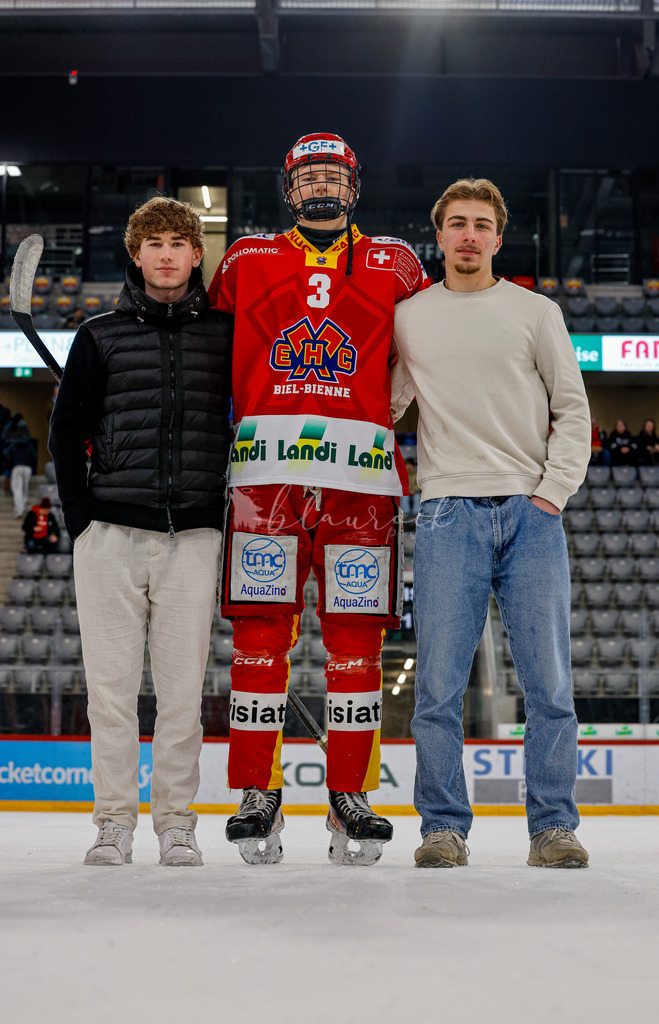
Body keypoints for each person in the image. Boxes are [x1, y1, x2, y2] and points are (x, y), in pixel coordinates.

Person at [208, 132, 429, 866]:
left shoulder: (395, 260)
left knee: (356, 646)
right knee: (258, 643)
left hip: (359, 481)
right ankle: (255, 792)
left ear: (355, 185)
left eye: (333, 175)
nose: (320, 187)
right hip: (265, 481)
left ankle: (349, 794)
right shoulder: (245, 258)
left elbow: (431, 349)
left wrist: (394, 403)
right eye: (308, 177)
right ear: (287, 188)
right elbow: (209, 349)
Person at [391, 178, 591, 869]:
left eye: (481, 224)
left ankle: (552, 828)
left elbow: (572, 409)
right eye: (456, 223)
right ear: (438, 235)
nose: (468, 235)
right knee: (437, 690)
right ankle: (441, 829)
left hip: (530, 515)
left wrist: (550, 495)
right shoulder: (409, 317)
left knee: (549, 687)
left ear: (497, 238)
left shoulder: (534, 312)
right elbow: (381, 407)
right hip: (446, 514)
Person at [49, 197, 232, 867]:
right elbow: (65, 433)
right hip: (111, 536)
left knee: (183, 697)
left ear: (194, 254)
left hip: (194, 536)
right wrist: (82, 524)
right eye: (151, 243)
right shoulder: (98, 334)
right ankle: (113, 824)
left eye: (176, 243)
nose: (163, 254)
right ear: (136, 254)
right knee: (113, 693)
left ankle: (177, 824)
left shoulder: (226, 331)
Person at [5, 420, 35, 517]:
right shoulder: (29, 445)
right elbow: (34, 457)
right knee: (25, 487)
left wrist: (9, 468)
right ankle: (24, 502)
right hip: (27, 468)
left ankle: (19, 509)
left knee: (17, 489)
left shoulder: (12, 446)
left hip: (17, 467)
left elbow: (7, 458)